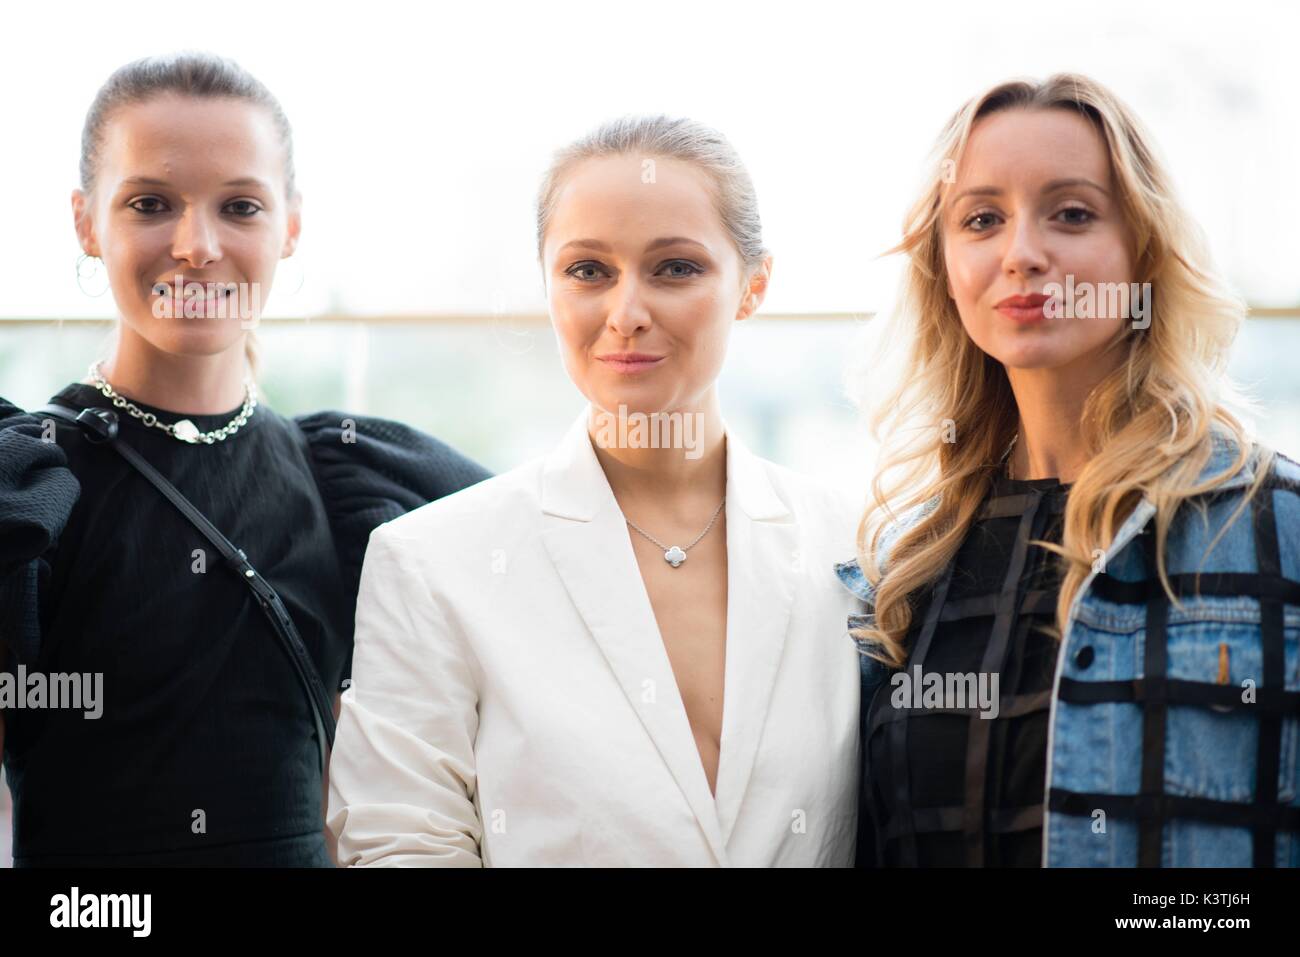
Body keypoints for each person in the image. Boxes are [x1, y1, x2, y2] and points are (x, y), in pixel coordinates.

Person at [327, 115, 861, 866]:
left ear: (754, 285)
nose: (627, 313)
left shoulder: (855, 544)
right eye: (588, 271)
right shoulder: (431, 563)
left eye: (675, 268)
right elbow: (400, 843)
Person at [0, 52, 489, 867]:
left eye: (240, 207)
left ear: (290, 225)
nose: (196, 246)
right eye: (151, 204)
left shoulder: (350, 487)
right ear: (86, 221)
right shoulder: (30, 493)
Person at [837, 73, 1300, 867]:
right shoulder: (901, 573)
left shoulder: (1275, 527)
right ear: (945, 267)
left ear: (1145, 252)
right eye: (982, 219)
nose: (1022, 253)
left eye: (1073, 214)